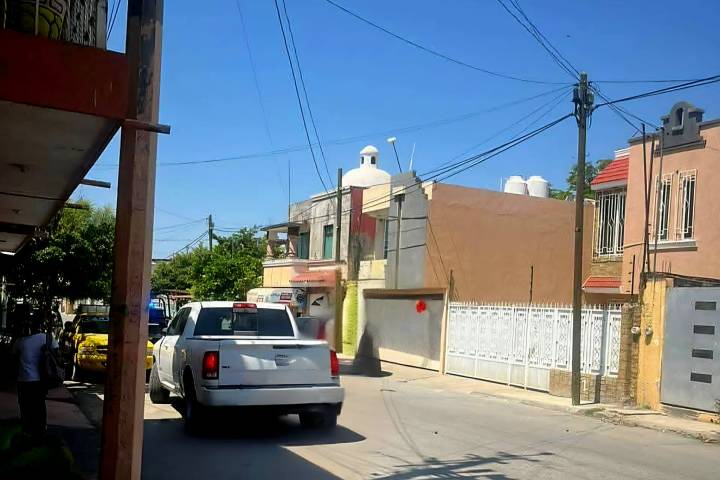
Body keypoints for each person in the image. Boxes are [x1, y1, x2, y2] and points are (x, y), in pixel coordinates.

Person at [12, 315, 57, 439]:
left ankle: (28, 430)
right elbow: (56, 355)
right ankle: (41, 430)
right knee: (39, 405)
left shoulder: (20, 341)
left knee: (25, 406)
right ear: (41, 326)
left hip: (24, 379)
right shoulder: (47, 338)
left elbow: (13, 357)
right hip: (41, 379)